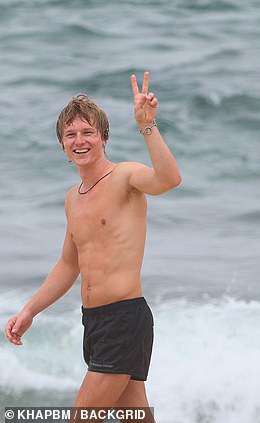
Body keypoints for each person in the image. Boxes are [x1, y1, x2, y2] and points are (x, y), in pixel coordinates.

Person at [5, 71, 181, 421]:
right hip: (96, 322)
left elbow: (169, 179)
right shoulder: (73, 199)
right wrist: (30, 310)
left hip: (124, 318)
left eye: (88, 132)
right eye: (71, 134)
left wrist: (148, 126)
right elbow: (68, 266)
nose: (79, 140)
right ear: (62, 145)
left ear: (103, 138)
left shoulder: (125, 178)